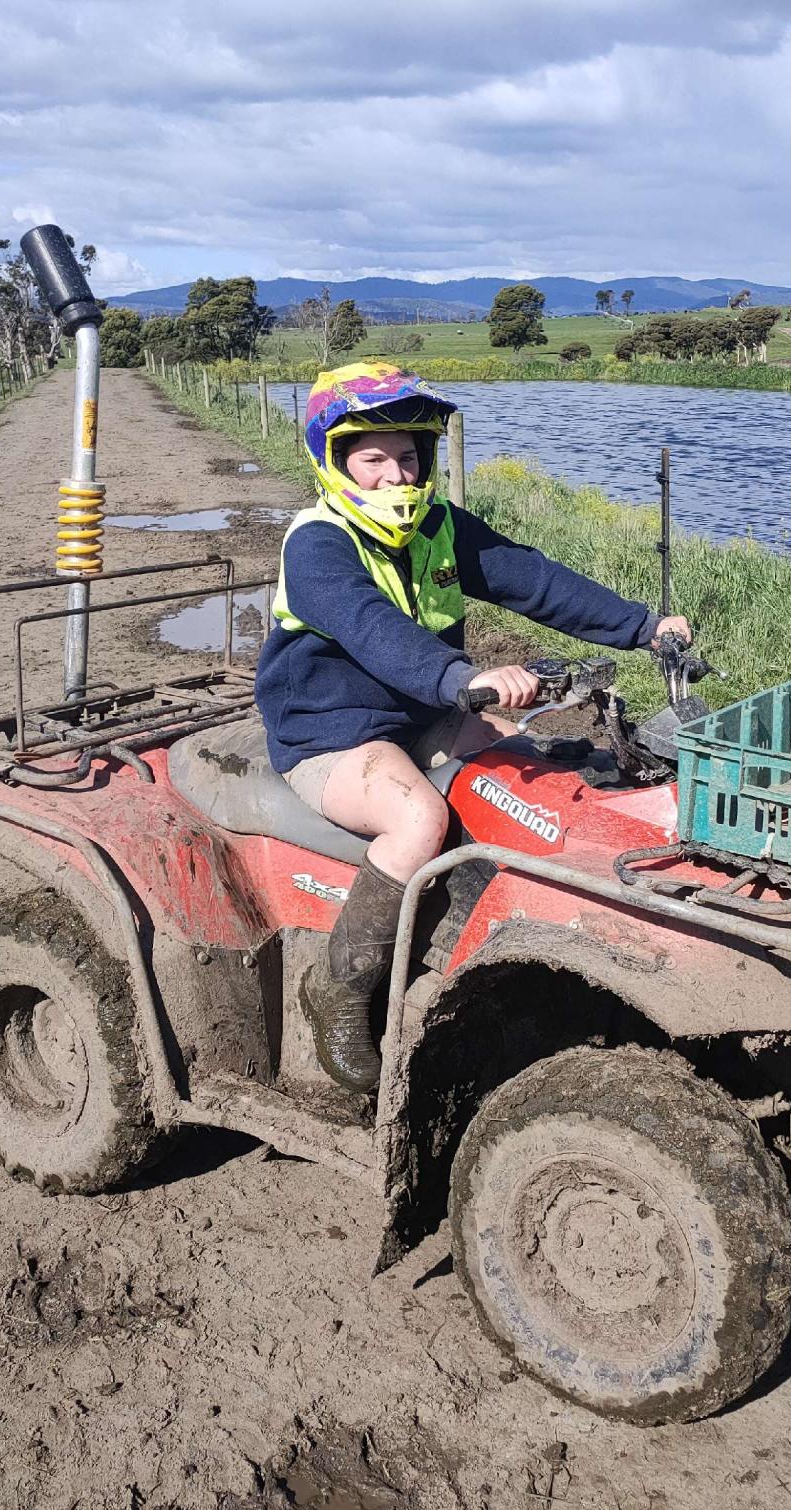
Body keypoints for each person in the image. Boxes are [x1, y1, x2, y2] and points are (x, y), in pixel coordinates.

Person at [254, 362, 690, 1091]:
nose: (396, 475)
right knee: (419, 820)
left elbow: (535, 579)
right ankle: (340, 988)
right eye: (374, 458)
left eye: (408, 456)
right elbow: (373, 629)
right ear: (335, 461)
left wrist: (643, 628)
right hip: (331, 732)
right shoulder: (317, 544)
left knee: (528, 776)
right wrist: (464, 680)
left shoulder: (439, 527)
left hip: (425, 712)